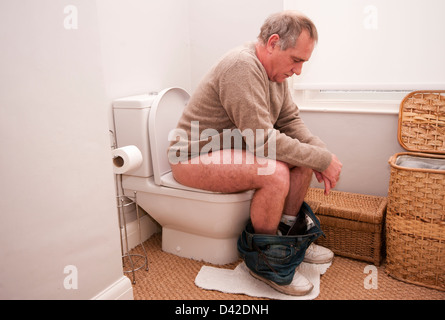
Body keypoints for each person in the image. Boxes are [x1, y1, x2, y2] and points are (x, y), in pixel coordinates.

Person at [168, 11, 342, 295]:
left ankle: (286, 243)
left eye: (303, 63)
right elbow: (263, 142)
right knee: (274, 173)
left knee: (304, 159)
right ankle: (266, 263)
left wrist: (322, 154)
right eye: (296, 60)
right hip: (190, 157)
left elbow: (290, 122)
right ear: (273, 43)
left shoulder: (276, 75)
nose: (298, 70)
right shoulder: (242, 67)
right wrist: (322, 159)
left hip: (226, 150)